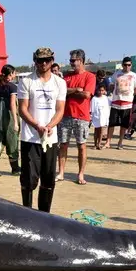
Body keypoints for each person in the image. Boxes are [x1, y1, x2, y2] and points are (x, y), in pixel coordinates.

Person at [17, 47, 67, 213]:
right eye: (40, 60)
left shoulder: (59, 83)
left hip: (50, 138)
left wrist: (50, 125)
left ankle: (44, 215)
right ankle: (27, 213)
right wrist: (36, 125)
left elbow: (60, 109)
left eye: (47, 60)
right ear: (35, 61)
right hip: (30, 137)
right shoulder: (26, 81)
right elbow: (22, 109)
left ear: (52, 61)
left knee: (48, 180)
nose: (43, 63)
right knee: (29, 180)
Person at [56, 49, 96, 185]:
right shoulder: (67, 76)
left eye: (74, 60)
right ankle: (61, 172)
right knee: (63, 145)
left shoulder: (90, 77)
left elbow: (86, 95)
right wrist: (76, 90)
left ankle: (80, 174)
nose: (71, 63)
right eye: (71, 60)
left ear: (82, 60)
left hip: (82, 116)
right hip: (65, 115)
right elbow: (60, 92)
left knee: (81, 146)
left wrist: (70, 92)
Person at [0, 64, 20, 177]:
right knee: (12, 141)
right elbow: (12, 104)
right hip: (9, 117)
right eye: (14, 73)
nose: (15, 75)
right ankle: (15, 169)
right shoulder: (12, 87)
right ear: (10, 74)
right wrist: (16, 122)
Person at [105, 57, 136, 149]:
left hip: (127, 103)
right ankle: (108, 142)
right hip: (116, 101)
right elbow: (111, 84)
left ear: (131, 65)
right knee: (111, 123)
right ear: (122, 65)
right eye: (125, 65)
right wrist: (111, 89)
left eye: (129, 65)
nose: (127, 67)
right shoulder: (117, 74)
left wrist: (134, 95)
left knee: (124, 124)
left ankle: (120, 142)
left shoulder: (134, 76)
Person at [90, 84, 111, 150]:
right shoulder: (94, 98)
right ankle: (95, 144)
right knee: (96, 130)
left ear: (104, 91)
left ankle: (99, 144)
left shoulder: (105, 98)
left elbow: (111, 104)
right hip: (96, 116)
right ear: (97, 90)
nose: (101, 92)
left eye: (102, 90)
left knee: (101, 131)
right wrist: (91, 116)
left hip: (103, 116)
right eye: (99, 90)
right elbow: (91, 108)